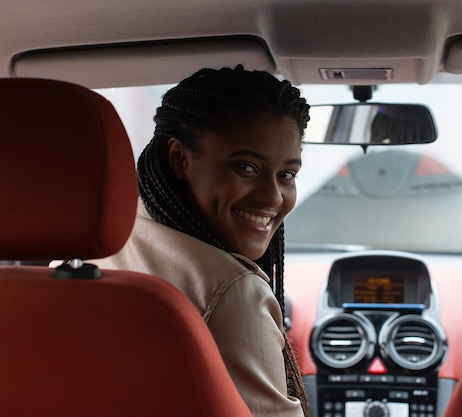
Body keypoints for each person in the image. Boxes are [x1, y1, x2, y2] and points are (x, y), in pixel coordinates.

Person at [96, 66, 310, 417]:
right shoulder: (230, 291)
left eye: (286, 175)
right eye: (245, 167)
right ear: (180, 158)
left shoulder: (77, 264)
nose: (272, 197)